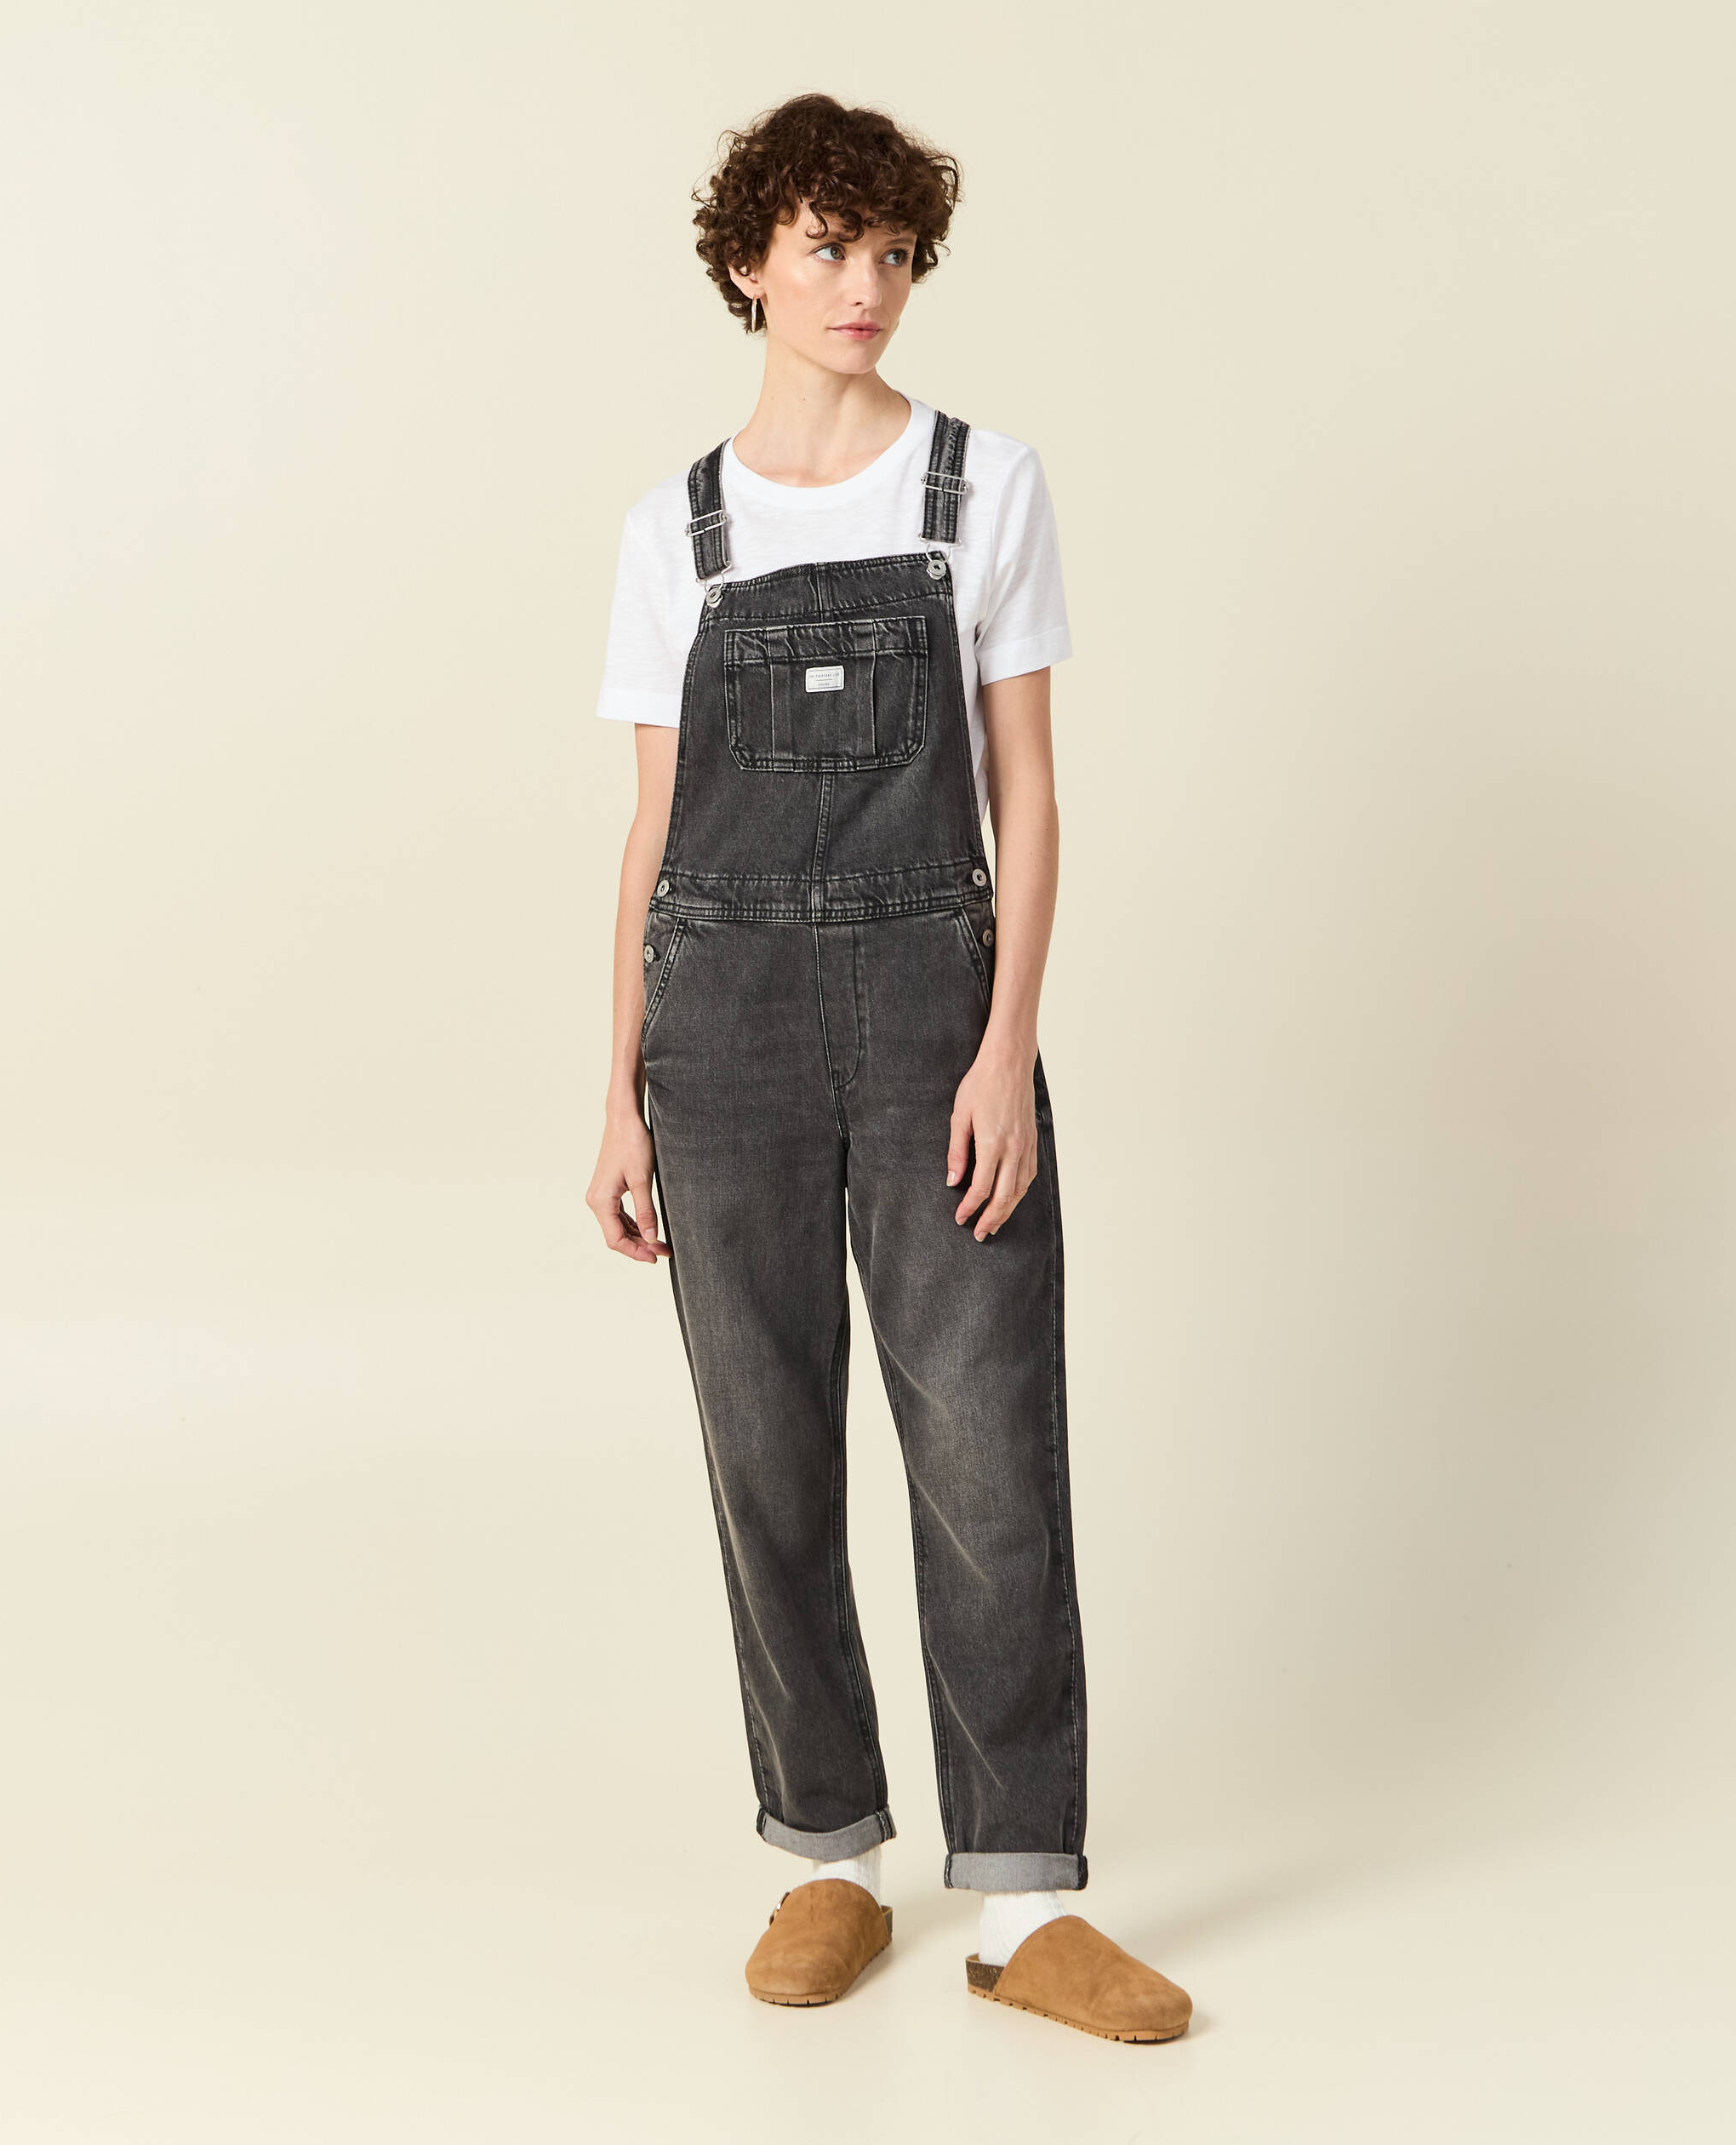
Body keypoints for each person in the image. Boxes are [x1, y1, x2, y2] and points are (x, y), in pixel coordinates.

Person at [585, 92, 1191, 2045]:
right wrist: (618, 1089)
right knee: (766, 1448)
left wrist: (1008, 1044)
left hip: (939, 1012)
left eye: (896, 252)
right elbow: (655, 828)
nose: (867, 285)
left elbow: (1029, 794)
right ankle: (828, 1856)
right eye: (829, 247)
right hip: (725, 1028)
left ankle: (1025, 1901)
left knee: (988, 1452)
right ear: (749, 262)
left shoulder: (982, 484)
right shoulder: (675, 526)